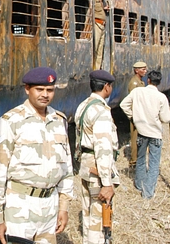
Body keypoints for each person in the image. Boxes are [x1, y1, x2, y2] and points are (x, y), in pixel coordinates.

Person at [0, 67, 74, 244]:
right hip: (20, 207)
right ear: (27, 89)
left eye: (50, 90)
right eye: (39, 89)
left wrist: (63, 207)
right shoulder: (10, 122)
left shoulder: (59, 121)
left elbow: (66, 168)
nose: (45, 95)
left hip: (50, 206)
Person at [74, 70, 120, 244]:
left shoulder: (83, 106)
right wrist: (107, 183)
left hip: (86, 167)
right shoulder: (101, 111)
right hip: (97, 169)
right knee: (99, 218)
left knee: (87, 213)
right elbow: (103, 149)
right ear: (106, 87)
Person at [120, 70, 170, 199]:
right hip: (155, 134)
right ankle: (148, 192)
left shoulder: (137, 92)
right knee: (154, 163)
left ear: (148, 80)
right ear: (159, 83)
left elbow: (123, 105)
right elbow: (166, 118)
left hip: (141, 132)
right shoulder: (161, 97)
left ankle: (139, 184)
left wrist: (133, 117)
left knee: (141, 159)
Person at [127, 61, 147, 167]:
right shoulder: (134, 83)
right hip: (136, 113)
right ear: (136, 70)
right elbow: (132, 100)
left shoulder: (141, 82)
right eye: (143, 69)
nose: (145, 71)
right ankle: (134, 160)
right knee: (135, 137)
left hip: (141, 113)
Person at [91, 0, 110, 70]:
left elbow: (98, 9)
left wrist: (104, 9)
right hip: (96, 25)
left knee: (99, 51)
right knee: (94, 49)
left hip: (102, 25)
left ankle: (96, 70)